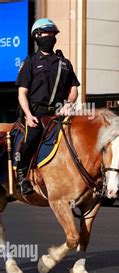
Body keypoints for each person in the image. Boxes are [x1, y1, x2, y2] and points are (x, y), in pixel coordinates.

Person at [15, 18, 80, 195]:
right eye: (46, 33)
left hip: (59, 113)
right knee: (31, 139)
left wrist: (69, 104)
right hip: (36, 113)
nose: (50, 37)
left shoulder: (64, 63)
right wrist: (28, 115)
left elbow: (73, 90)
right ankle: (21, 177)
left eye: (52, 33)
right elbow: (22, 93)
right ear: (37, 36)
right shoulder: (30, 62)